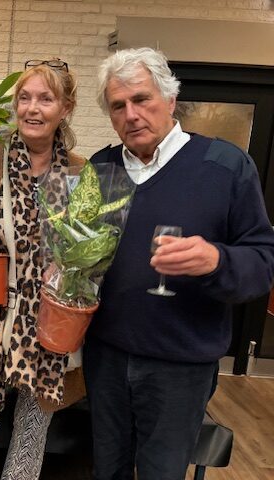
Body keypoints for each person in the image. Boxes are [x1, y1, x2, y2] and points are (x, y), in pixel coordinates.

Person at [84, 47, 274, 480]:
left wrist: (217, 260)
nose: (131, 115)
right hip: (106, 356)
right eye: (118, 106)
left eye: (141, 99)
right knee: (106, 470)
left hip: (180, 366)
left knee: (161, 473)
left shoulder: (225, 167)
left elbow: (263, 262)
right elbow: (81, 253)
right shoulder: (102, 168)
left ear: (170, 99)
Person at [0, 60, 87, 479]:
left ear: (66, 108)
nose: (32, 108)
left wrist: (73, 271)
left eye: (45, 99)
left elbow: (90, 248)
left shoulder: (80, 172)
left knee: (30, 439)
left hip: (49, 327)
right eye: (24, 98)